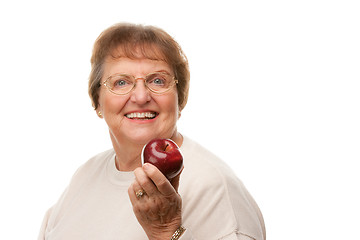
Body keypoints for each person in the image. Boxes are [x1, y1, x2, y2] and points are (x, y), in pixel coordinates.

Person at [38, 23, 266, 240]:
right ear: (97, 102)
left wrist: (167, 232)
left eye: (157, 81)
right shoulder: (84, 177)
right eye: (120, 82)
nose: (140, 96)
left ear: (180, 99)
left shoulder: (215, 188)